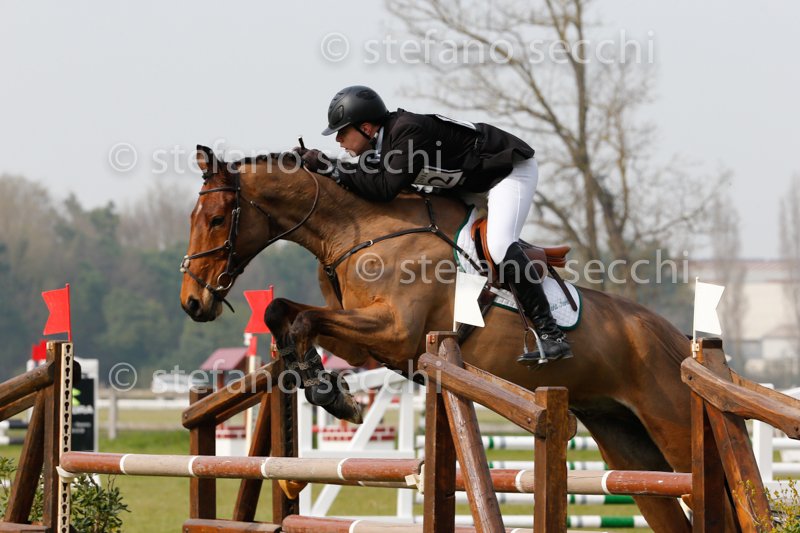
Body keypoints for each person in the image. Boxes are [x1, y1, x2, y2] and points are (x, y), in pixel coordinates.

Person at [296, 85, 572, 364]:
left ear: (366, 128)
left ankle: (552, 335)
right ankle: (469, 331)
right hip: (468, 185)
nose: (339, 140)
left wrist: (330, 168)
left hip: (508, 172)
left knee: (499, 246)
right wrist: (323, 165)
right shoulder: (381, 144)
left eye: (342, 132)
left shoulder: (407, 131)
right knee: (460, 246)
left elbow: (383, 189)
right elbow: (363, 177)